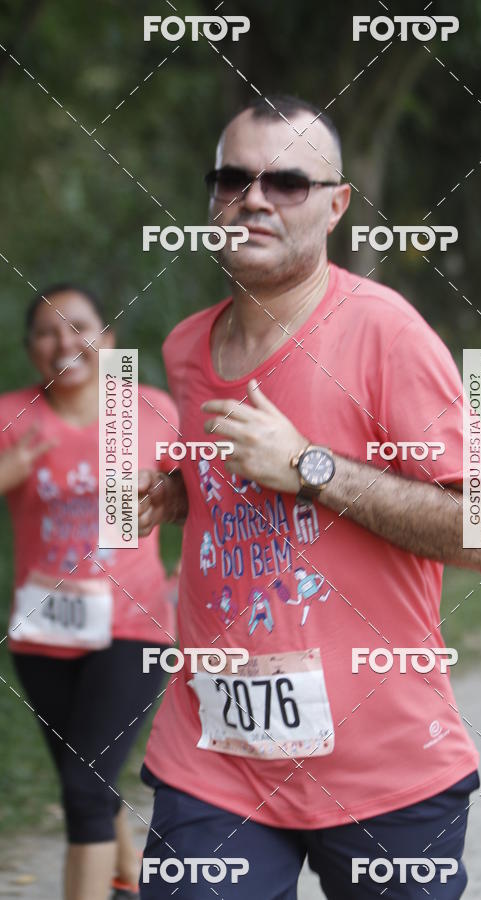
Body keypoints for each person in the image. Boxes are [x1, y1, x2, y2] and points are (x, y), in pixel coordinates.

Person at [137, 95, 481, 899]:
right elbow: (235, 493)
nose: (255, 199)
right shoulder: (184, 346)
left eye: (289, 183)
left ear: (337, 204)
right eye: (233, 179)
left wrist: (311, 464)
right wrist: (174, 494)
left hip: (386, 772)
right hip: (218, 757)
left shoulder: (386, 332)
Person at [0, 284, 179, 900]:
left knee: (82, 790)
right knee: (90, 785)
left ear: (108, 339)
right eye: (47, 332)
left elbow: (211, 499)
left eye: (78, 327)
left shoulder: (152, 410)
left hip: (134, 627)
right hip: (43, 630)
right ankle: (128, 879)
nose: (63, 342)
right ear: (31, 351)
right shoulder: (10, 417)